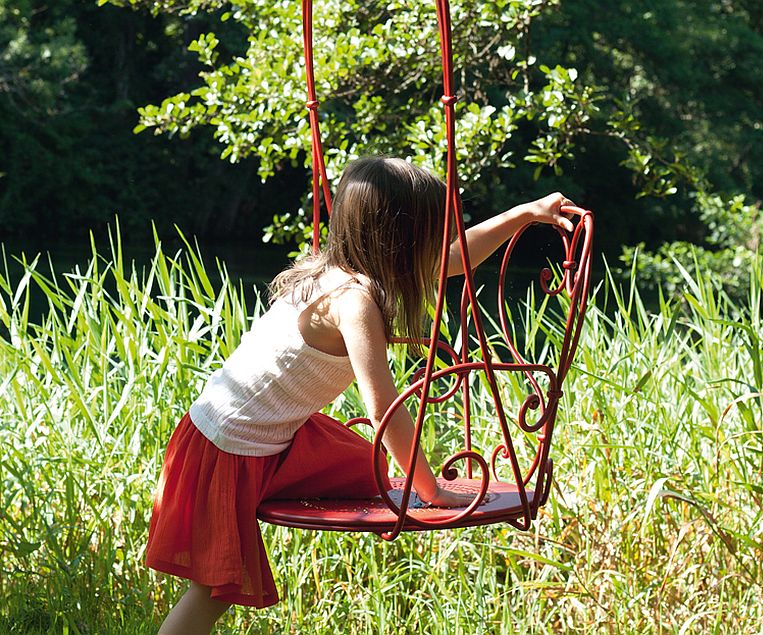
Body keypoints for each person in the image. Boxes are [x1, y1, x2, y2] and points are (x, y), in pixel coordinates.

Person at [145, 156, 578, 634]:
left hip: (259, 432)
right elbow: (383, 410)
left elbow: (453, 259)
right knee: (213, 590)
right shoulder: (353, 303)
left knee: (358, 470)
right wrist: (431, 490)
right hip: (228, 447)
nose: (440, 242)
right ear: (401, 239)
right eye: (432, 231)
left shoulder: (332, 269)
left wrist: (524, 213)